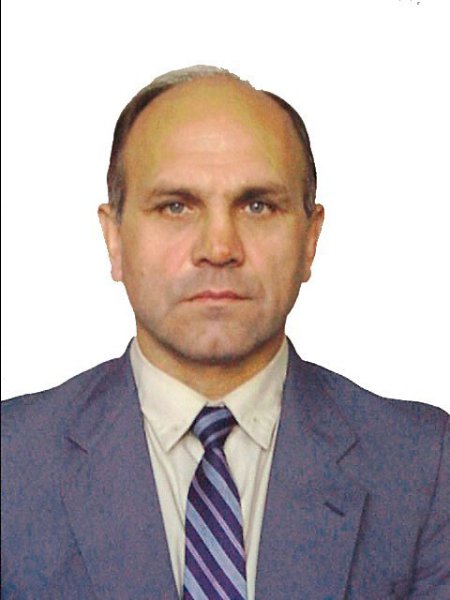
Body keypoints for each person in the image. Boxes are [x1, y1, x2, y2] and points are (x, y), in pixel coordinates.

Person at [1, 66, 449, 600]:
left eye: (258, 205)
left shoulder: (425, 466)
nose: (219, 247)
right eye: (175, 206)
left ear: (310, 240)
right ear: (114, 238)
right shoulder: (11, 462)